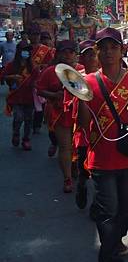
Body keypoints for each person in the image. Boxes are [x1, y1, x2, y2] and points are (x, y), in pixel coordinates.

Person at [76, 27, 128, 262]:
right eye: (103, 48)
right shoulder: (88, 83)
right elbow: (84, 124)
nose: (108, 52)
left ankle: (115, 241)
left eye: (113, 48)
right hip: (101, 157)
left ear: (121, 51)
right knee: (108, 211)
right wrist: (81, 100)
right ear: (97, 52)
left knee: (126, 209)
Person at [36, 40, 80, 193]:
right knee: (65, 147)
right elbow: (40, 90)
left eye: (71, 52)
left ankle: (76, 167)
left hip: (80, 115)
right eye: (64, 52)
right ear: (58, 54)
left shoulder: (81, 70)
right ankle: (67, 178)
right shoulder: (50, 71)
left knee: (79, 146)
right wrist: (54, 94)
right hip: (60, 114)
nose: (68, 55)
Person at [73, 40, 99, 209]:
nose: (92, 58)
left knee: (100, 175)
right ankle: (81, 187)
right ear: (82, 58)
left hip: (102, 134)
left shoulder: (107, 76)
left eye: (94, 54)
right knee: (84, 171)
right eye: (88, 55)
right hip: (84, 135)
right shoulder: (76, 78)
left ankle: (98, 206)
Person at [3, 41, 38, 150]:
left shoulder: (33, 67)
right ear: (19, 51)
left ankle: (26, 139)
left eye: (27, 51)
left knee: (28, 120)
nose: (26, 53)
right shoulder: (11, 65)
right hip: (17, 96)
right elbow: (3, 76)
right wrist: (12, 77)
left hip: (29, 97)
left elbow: (38, 79)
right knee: (18, 117)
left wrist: (35, 84)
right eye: (24, 50)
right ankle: (16, 133)